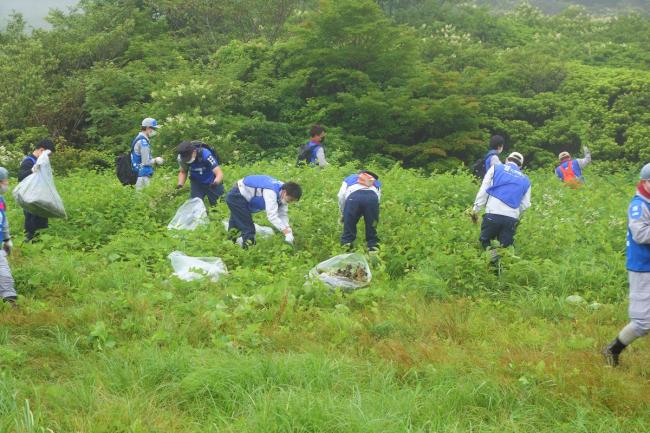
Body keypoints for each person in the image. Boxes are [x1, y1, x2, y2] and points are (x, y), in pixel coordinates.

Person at [603, 163, 650, 367]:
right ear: (644, 182)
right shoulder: (639, 205)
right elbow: (640, 234)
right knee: (643, 322)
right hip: (642, 267)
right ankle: (612, 349)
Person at [471, 152, 531, 259]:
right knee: (505, 248)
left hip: (492, 215)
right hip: (511, 219)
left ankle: (494, 260)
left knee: (485, 241)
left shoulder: (496, 168)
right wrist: (516, 214)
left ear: (507, 160)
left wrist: (476, 210)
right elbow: (525, 204)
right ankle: (500, 268)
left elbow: (483, 190)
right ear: (520, 166)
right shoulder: (526, 179)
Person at [225, 175, 301, 248]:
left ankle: (229, 244)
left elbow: (282, 214)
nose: (290, 202)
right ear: (284, 192)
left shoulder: (283, 191)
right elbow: (272, 216)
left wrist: (287, 228)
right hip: (237, 196)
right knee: (248, 228)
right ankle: (249, 250)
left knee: (236, 222)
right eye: (290, 200)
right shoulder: (271, 191)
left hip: (242, 197)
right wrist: (285, 231)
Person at [18, 139, 56, 242]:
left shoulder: (40, 161)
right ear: (42, 150)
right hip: (29, 198)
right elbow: (20, 177)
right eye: (48, 155)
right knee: (31, 220)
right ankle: (28, 242)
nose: (48, 158)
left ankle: (38, 242)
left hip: (38, 196)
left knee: (40, 219)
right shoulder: (29, 161)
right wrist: (32, 170)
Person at [338, 170, 381, 251]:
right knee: (372, 226)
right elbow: (378, 199)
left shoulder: (349, 178)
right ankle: (373, 250)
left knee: (349, 227)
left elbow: (341, 195)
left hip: (353, 199)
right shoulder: (375, 181)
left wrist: (343, 212)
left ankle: (346, 251)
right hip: (372, 199)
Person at [176, 141, 224, 206]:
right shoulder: (181, 159)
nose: (188, 161)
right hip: (196, 183)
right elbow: (183, 171)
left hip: (212, 182)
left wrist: (215, 183)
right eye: (186, 159)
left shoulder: (206, 155)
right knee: (195, 206)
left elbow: (219, 173)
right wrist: (180, 185)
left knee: (217, 206)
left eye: (189, 158)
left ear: (194, 151)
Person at [131, 117, 164, 190]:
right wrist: (156, 160)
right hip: (142, 176)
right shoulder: (143, 142)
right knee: (144, 199)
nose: (155, 131)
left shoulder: (139, 138)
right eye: (154, 129)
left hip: (138, 175)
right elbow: (146, 162)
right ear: (148, 128)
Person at [0, 168, 16, 307]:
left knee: (4, 273)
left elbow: (3, 221)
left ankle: (9, 300)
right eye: (5, 181)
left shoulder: (1, 200)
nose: (7, 184)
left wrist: (6, 239)